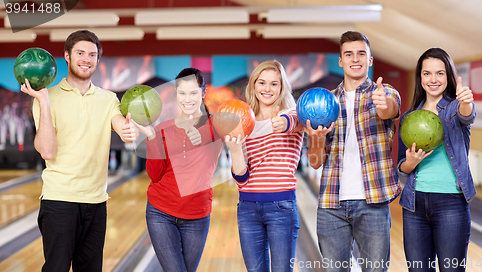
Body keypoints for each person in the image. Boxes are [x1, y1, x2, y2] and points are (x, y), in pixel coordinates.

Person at [20, 30, 139, 272]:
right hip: (59, 199)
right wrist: (43, 102)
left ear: (98, 60)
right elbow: (47, 151)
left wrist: (128, 131)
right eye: (80, 53)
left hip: (96, 201)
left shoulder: (108, 99)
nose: (86, 58)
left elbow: (119, 123)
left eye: (92, 54)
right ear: (67, 56)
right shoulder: (46, 97)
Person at [305, 31, 401, 272]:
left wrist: (383, 104)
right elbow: (315, 163)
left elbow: (389, 110)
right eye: (349, 54)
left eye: (361, 54)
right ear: (340, 60)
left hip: (374, 204)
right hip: (331, 205)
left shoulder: (384, 92)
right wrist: (316, 140)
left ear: (370, 60)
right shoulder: (325, 103)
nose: (355, 59)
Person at [133, 68, 223, 272]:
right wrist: (151, 138)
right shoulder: (162, 129)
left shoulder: (216, 125)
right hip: (160, 212)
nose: (187, 99)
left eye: (193, 93)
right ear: (176, 94)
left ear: (203, 93)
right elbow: (155, 175)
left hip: (197, 214)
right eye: (182, 93)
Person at [397, 47, 475, 272]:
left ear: (448, 76)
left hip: (451, 204)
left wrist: (466, 100)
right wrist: (411, 162)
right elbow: (403, 165)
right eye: (427, 73)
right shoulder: (409, 118)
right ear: (420, 77)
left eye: (440, 73)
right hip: (414, 205)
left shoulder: (454, 109)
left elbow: (467, 115)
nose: (433, 79)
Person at [225, 60, 304, 272]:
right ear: (253, 85)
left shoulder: (293, 114)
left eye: (274, 84)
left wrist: (283, 122)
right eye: (262, 82)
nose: (267, 89)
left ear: (282, 87)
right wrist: (235, 150)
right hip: (247, 208)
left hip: (281, 207)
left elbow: (296, 121)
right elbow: (242, 178)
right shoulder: (244, 123)